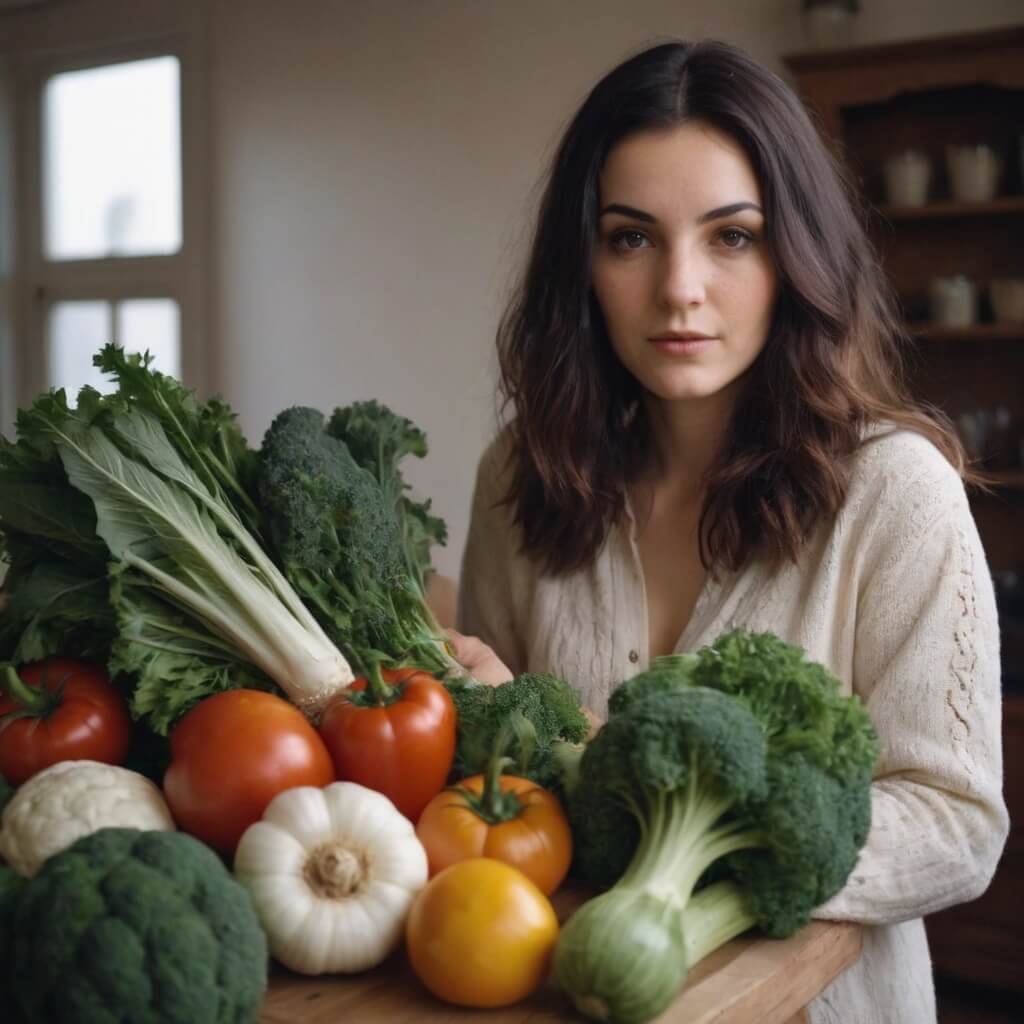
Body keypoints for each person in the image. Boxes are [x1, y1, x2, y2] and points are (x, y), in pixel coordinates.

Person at [449, 38, 1009, 1024]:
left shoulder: (896, 492)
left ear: (795, 252)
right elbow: (498, 794)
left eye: (731, 236)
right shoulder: (519, 478)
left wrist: (683, 866)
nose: (678, 288)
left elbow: (955, 822)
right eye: (630, 237)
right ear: (581, 260)